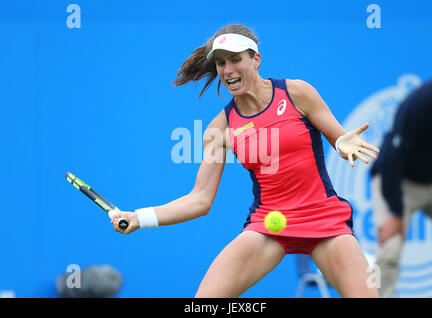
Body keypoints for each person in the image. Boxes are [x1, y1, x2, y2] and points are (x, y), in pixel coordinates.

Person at [111, 24, 380, 298]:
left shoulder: (297, 93)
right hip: (268, 225)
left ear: (256, 60)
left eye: (236, 60)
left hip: (324, 219)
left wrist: (341, 143)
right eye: (220, 63)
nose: (227, 71)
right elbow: (199, 200)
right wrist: (139, 217)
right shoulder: (219, 130)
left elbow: (340, 140)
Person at [370, 48, 432, 297]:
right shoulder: (423, 102)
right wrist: (396, 212)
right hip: (397, 180)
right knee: (390, 249)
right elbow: (392, 160)